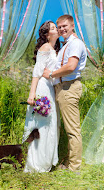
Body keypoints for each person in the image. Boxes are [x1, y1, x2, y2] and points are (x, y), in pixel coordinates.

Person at [43, 15, 87, 171]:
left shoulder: (75, 44)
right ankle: (68, 161)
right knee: (67, 127)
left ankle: (74, 167)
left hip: (69, 87)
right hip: (62, 88)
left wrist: (51, 74)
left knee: (72, 129)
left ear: (73, 25)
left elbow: (71, 66)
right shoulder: (68, 44)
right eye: (59, 26)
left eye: (65, 26)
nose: (62, 29)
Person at [23, 21, 60, 172]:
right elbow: (37, 72)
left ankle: (46, 160)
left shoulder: (54, 48)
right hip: (43, 88)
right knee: (41, 123)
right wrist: (32, 94)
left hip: (51, 88)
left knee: (51, 123)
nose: (56, 29)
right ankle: (35, 162)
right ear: (46, 34)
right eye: (53, 28)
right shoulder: (45, 47)